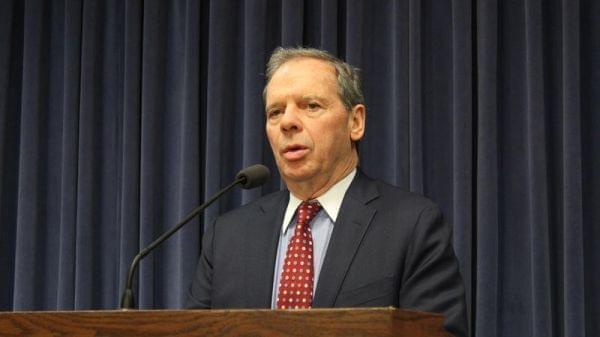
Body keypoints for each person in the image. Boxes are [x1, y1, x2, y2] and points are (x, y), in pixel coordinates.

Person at [187, 47, 467, 337]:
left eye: (311, 106)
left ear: (355, 122)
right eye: (275, 112)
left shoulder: (412, 225)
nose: (288, 122)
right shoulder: (227, 236)